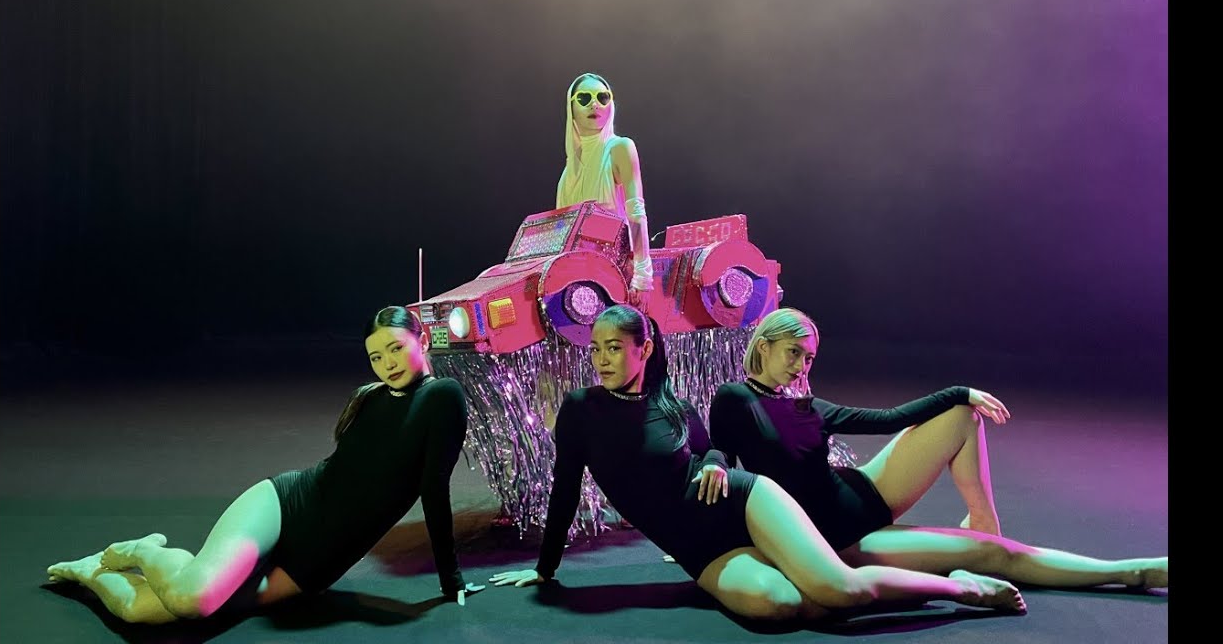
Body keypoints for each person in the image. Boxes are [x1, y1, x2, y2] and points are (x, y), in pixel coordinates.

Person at [490, 304, 1027, 622]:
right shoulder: (581, 410)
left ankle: (964, 588)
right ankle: (855, 573)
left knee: (838, 590)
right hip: (701, 551)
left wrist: (714, 465)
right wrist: (544, 568)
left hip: (745, 504)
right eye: (596, 349)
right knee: (780, 606)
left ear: (644, 349)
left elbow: (712, 453)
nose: (602, 359)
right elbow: (565, 487)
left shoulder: (673, 408)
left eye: (614, 347)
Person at [46, 306, 485, 624]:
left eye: (395, 349)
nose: (387, 364)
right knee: (194, 598)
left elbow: (434, 488)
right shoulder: (369, 398)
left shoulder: (442, 396)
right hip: (284, 507)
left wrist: (451, 581)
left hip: (313, 565)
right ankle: (143, 550)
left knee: (144, 611)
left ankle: (89, 573)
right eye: (375, 357)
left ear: (422, 340)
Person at [707, 307, 1168, 592]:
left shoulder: (809, 406)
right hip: (836, 536)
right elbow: (719, 451)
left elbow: (889, 419)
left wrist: (960, 391)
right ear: (763, 347)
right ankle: (1132, 571)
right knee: (997, 555)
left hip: (864, 492)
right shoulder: (734, 399)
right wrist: (713, 469)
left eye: (809, 357)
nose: (801, 366)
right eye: (793, 352)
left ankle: (983, 520)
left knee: (961, 415)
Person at [556, 72, 655, 310]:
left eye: (602, 97)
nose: (594, 104)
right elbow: (561, 236)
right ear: (571, 108)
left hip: (619, 277)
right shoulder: (568, 174)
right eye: (584, 98)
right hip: (580, 284)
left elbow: (636, 212)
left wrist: (642, 276)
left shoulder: (620, 148)